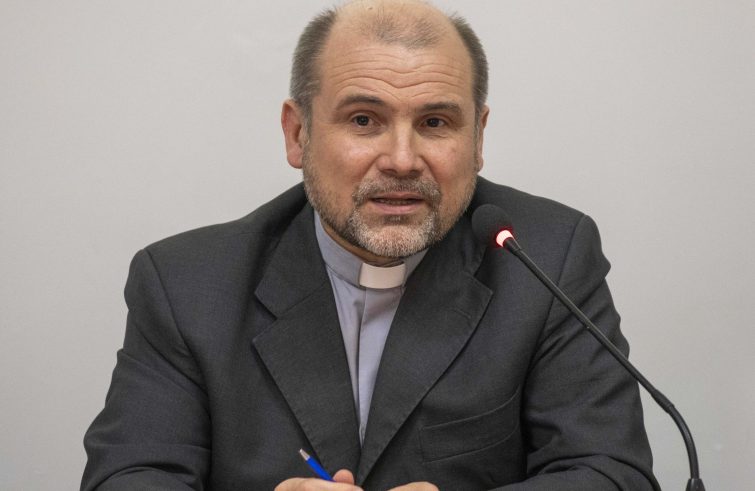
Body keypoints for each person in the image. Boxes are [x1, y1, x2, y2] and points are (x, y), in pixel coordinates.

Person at [81, 1, 660, 489]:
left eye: (435, 123)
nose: (402, 160)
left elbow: (611, 472)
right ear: (298, 133)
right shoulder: (186, 285)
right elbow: (128, 478)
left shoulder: (546, 257)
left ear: (478, 138)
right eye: (363, 120)